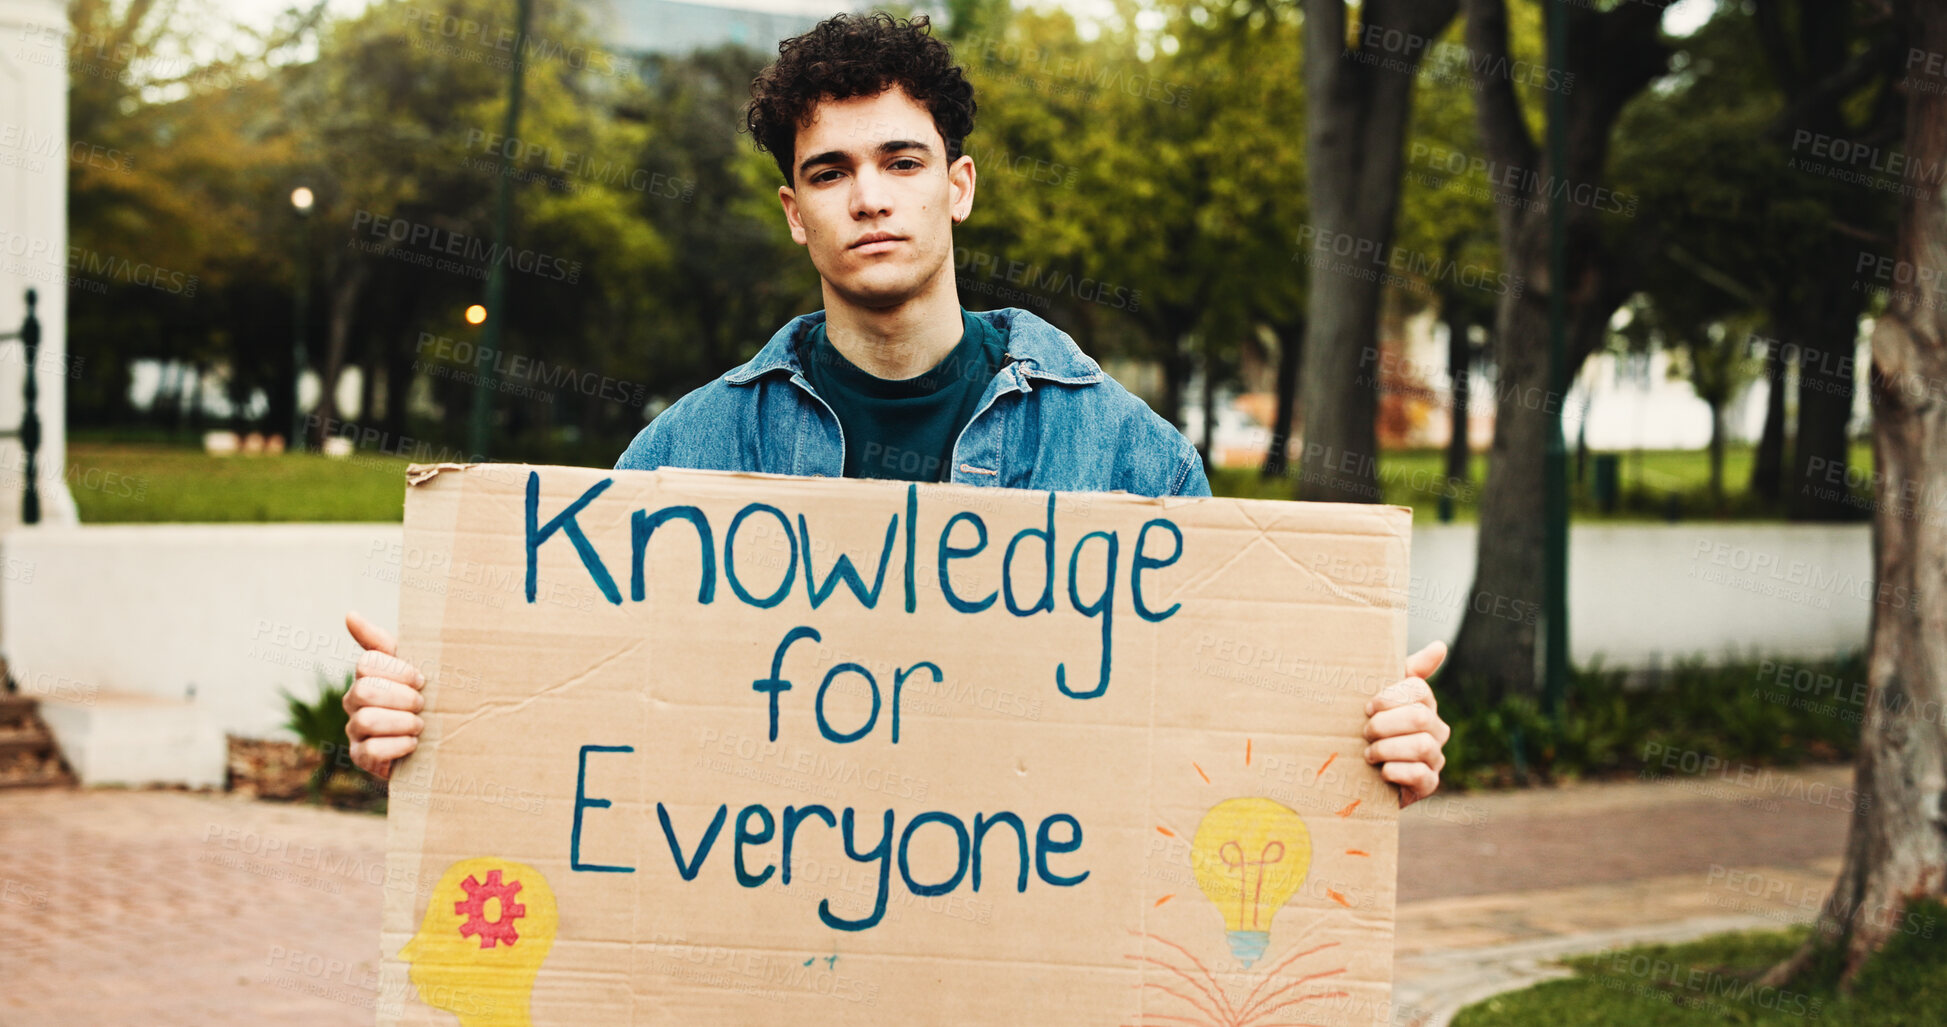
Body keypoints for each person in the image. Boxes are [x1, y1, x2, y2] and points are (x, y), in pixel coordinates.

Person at [344, 11, 1450, 807]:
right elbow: (581, 712)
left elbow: (1220, 727)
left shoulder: (1131, 457)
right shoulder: (686, 454)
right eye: (830, 173)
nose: (869, 196)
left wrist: (1363, 748)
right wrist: (432, 725)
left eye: (901, 160)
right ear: (795, 213)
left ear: (956, 187)